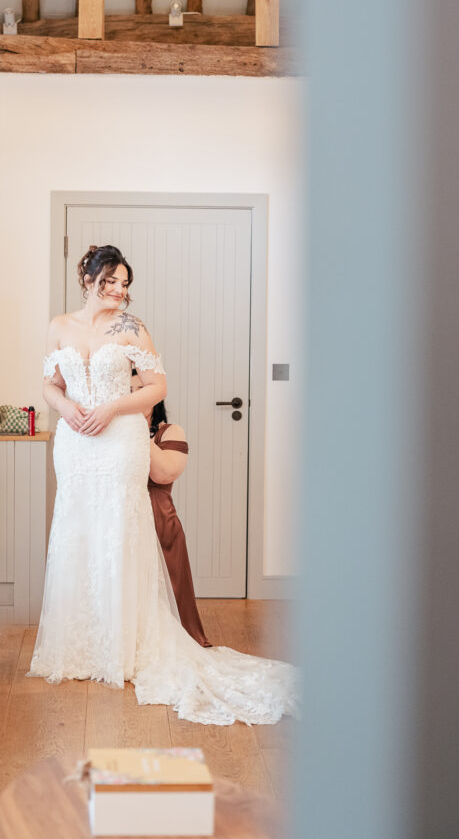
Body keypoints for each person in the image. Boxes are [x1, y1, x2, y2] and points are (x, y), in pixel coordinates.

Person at [30, 243, 298, 726]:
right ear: (86, 278)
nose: (119, 291)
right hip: (74, 445)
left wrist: (112, 407)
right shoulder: (59, 326)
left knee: (118, 530)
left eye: (125, 284)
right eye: (110, 281)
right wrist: (66, 409)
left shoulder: (133, 329)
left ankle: (123, 646)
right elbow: (50, 384)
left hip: (118, 442)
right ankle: (78, 647)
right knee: (77, 530)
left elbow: (157, 387)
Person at [137, 378, 211, 647]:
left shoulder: (170, 432)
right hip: (120, 518)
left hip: (158, 519)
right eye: (127, 392)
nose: (134, 398)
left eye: (140, 392)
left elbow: (164, 472)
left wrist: (134, 428)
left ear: (155, 397)